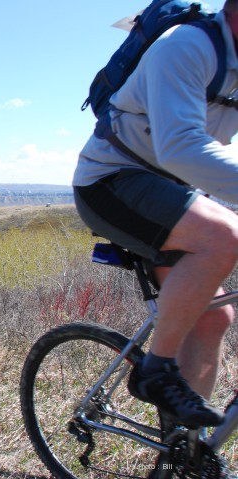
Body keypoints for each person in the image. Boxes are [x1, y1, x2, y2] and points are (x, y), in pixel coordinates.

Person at [73, 0, 238, 429]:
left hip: (172, 191)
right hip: (110, 181)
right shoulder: (186, 46)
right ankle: (155, 370)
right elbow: (180, 146)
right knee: (224, 236)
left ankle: (183, 448)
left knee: (214, 316)